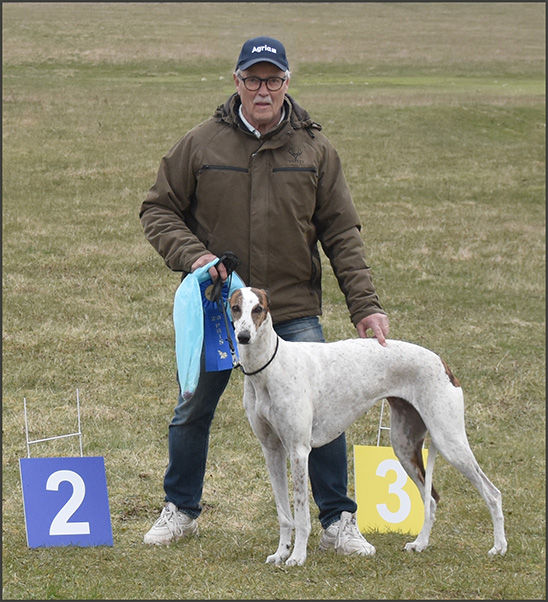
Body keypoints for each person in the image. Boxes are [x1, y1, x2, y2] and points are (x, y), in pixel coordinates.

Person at [139, 36, 389, 555]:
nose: (262, 89)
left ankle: (337, 521)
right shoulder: (201, 143)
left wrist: (364, 306)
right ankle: (180, 509)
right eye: (252, 79)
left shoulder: (315, 150)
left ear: (286, 84)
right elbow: (158, 210)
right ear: (236, 82)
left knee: (318, 412)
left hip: (290, 311)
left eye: (272, 79)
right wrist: (197, 257)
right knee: (192, 407)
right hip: (219, 310)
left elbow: (342, 233)